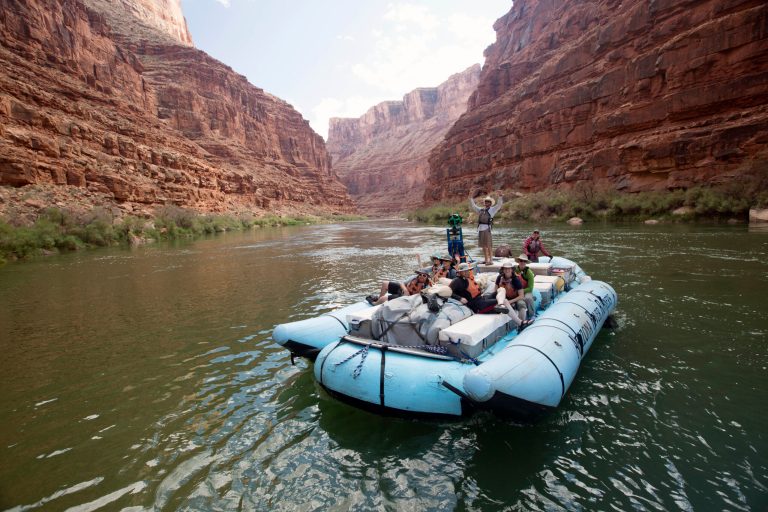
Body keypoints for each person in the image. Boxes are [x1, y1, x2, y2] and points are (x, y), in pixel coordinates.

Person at [469, 193, 504, 265]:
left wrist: (500, 197)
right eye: (486, 201)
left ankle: (490, 260)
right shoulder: (481, 210)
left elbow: (499, 205)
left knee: (489, 246)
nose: (487, 203)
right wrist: (471, 199)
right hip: (481, 230)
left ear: (490, 203)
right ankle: (486, 259)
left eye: (488, 202)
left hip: (487, 229)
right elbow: (474, 207)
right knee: (483, 246)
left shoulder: (492, 210)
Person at [495, 261, 527, 327]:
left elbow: (521, 296)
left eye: (509, 269)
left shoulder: (516, 280)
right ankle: (520, 323)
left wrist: (510, 302)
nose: (507, 270)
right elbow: (495, 290)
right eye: (505, 269)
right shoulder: (499, 278)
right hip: (504, 298)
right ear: (503, 270)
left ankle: (522, 323)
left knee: (521, 304)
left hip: (516, 298)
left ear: (512, 270)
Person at [512, 254, 536, 320]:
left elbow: (530, 288)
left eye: (524, 261)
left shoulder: (529, 273)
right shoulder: (515, 270)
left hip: (526, 290)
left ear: (526, 263)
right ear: (518, 262)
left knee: (528, 298)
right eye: (521, 261)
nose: (522, 262)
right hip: (517, 290)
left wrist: (521, 291)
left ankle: (532, 315)